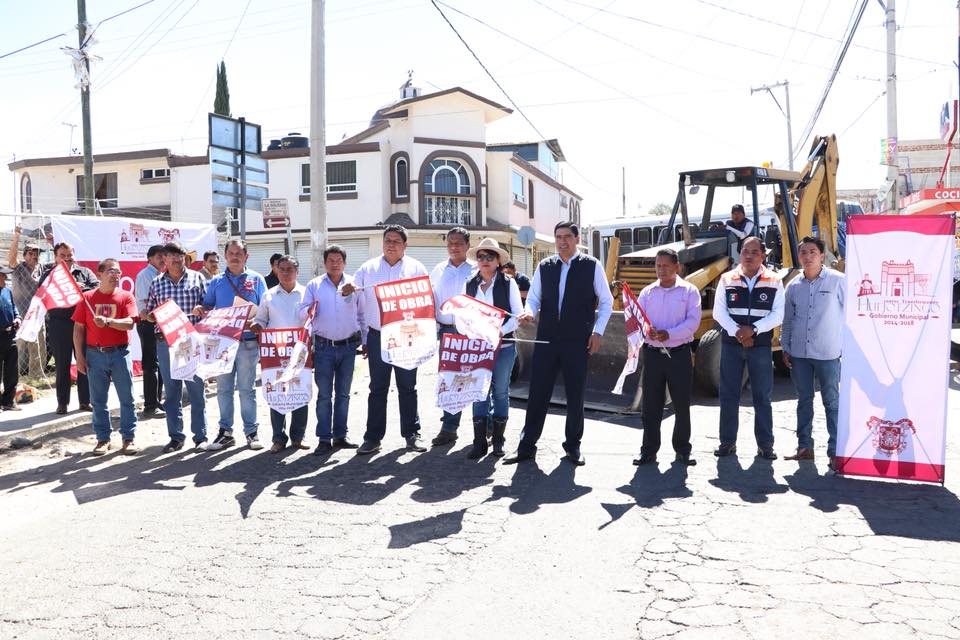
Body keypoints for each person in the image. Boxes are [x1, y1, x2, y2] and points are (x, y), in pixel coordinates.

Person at [504, 221, 613, 466]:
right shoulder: (545, 266)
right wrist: (528, 312)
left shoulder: (591, 266)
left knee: (575, 395)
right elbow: (533, 298)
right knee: (537, 394)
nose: (562, 241)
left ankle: (573, 446)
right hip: (547, 340)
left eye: (566, 237)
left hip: (578, 341)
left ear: (576, 240)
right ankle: (527, 445)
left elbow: (606, 302)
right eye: (558, 237)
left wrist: (598, 332)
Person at [349, 225, 429, 455]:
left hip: (407, 336)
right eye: (387, 240)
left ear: (405, 245)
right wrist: (364, 336)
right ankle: (373, 438)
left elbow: (425, 304)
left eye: (396, 241)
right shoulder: (368, 268)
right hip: (377, 336)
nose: (390, 244)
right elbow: (354, 295)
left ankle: (412, 435)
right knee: (377, 388)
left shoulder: (416, 268)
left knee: (408, 387)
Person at [713, 236, 784, 460]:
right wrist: (739, 332)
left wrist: (753, 330)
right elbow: (719, 313)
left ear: (763, 255)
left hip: (760, 346)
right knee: (728, 395)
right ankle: (727, 443)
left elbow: (778, 314)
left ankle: (765, 445)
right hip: (731, 345)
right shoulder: (727, 278)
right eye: (745, 251)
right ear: (739, 253)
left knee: (762, 396)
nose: (749, 256)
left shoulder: (774, 280)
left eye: (754, 252)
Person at [632, 248, 701, 467]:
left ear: (676, 266)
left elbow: (693, 322)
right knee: (651, 406)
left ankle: (682, 450)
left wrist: (668, 334)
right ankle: (648, 451)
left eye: (665, 265)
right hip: (652, 355)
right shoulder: (647, 292)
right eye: (657, 266)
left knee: (681, 405)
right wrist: (647, 331)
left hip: (678, 355)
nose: (661, 270)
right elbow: (638, 320)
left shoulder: (689, 292)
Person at [195, 240, 267, 450]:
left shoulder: (257, 279)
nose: (235, 256)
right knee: (224, 389)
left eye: (239, 253)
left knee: (247, 389)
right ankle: (225, 432)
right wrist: (201, 308)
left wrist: (258, 322)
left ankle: (251, 432)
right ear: (225, 256)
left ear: (247, 256)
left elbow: (264, 307)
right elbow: (208, 304)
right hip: (223, 343)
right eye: (231, 253)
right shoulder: (217, 281)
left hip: (248, 342)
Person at [780, 236, 845, 469]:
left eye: (812, 252)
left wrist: (847, 349)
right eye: (803, 252)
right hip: (799, 354)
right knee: (804, 401)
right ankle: (804, 447)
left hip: (828, 353)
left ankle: (835, 450)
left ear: (822, 255)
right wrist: (785, 347)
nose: (807, 257)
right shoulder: (793, 286)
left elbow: (851, 317)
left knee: (832, 402)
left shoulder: (838, 281)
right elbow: (787, 320)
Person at [144, 242, 209, 452]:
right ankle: (176, 437)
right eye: (170, 256)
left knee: (196, 390)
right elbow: (149, 311)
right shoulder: (156, 283)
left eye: (179, 255)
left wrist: (203, 308)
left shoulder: (197, 278)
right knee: (171, 392)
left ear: (184, 258)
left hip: (192, 342)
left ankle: (200, 437)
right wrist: (150, 315)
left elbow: (209, 305)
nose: (175, 259)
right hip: (166, 343)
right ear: (164, 259)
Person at [463, 239, 523, 459]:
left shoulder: (509, 284)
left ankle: (498, 441)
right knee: (478, 392)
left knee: (500, 392)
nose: (485, 261)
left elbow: (517, 315)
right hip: (477, 347)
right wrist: (472, 334)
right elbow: (463, 315)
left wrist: (499, 332)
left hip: (504, 345)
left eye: (490, 257)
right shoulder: (469, 284)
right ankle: (479, 442)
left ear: (498, 261)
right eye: (481, 257)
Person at [300, 245, 362, 455]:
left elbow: (361, 313)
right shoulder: (314, 285)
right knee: (324, 395)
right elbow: (302, 314)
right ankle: (324, 438)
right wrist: (310, 310)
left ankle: (340, 436)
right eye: (331, 260)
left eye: (339, 260)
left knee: (343, 394)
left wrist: (364, 339)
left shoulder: (355, 284)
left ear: (344, 262)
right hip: (324, 347)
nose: (335, 264)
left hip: (349, 347)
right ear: (324, 263)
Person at [72, 259, 139, 455]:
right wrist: (80, 357)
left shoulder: (126, 296)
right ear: (99, 274)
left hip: (120, 353)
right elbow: (78, 329)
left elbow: (129, 324)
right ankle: (102, 438)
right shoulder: (87, 298)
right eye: (111, 271)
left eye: (118, 271)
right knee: (98, 400)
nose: (115, 275)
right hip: (95, 354)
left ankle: (128, 437)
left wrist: (108, 321)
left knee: (127, 398)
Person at [251, 255, 309, 453]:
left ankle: (298, 437)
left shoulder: (306, 294)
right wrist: (256, 326)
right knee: (276, 394)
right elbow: (261, 320)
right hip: (275, 353)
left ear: (297, 272)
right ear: (276, 270)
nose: (285, 272)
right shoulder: (268, 295)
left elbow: (312, 323)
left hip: (300, 353)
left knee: (300, 393)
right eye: (281, 269)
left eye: (290, 269)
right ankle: (278, 438)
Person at [39, 241, 99, 414]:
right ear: (56, 257)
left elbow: (96, 291)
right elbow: (41, 293)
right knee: (62, 364)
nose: (66, 259)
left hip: (81, 324)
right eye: (62, 256)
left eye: (69, 255)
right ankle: (62, 402)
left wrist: (82, 288)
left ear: (74, 255)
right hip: (59, 324)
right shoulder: (49, 275)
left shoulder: (85, 272)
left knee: (84, 361)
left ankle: (85, 401)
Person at [429, 227, 475, 446]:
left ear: (468, 245)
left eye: (458, 243)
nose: (454, 247)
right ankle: (449, 428)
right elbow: (430, 300)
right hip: (446, 333)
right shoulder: (438, 270)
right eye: (450, 243)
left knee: (476, 379)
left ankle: (484, 428)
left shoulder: (476, 270)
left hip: (472, 333)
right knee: (449, 381)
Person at [7, 226, 44, 377]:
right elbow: (11, 259)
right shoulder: (18, 268)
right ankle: (18, 372)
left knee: (38, 342)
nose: (34, 256)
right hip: (20, 311)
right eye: (31, 253)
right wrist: (16, 236)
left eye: (36, 253)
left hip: (37, 311)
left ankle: (36, 374)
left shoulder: (41, 268)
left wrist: (52, 241)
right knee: (20, 344)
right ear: (25, 255)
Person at [135, 245, 166, 419]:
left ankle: (157, 401)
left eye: (164, 256)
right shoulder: (144, 275)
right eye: (159, 256)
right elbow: (144, 303)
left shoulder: (162, 275)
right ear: (150, 258)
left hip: (161, 323)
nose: (162, 259)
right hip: (147, 323)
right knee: (150, 365)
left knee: (160, 364)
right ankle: (149, 406)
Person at [0, 267, 21, 411]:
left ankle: (8, 401)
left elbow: (14, 307)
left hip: (10, 335)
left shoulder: (7, 291)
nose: (5, 279)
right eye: (2, 276)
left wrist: (18, 317)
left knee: (12, 370)